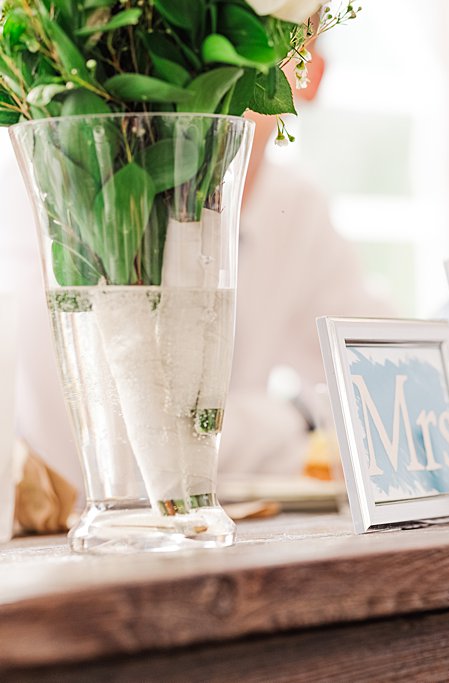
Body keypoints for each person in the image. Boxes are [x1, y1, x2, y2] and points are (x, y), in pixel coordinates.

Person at [5, 47, 390, 488]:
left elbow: (386, 387)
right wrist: (296, 418)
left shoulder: (297, 210)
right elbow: (102, 448)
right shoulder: (55, 186)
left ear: (309, 75)